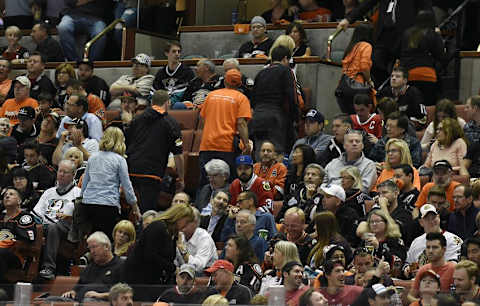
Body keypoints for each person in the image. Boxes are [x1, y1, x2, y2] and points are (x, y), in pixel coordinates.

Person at [337, 0, 433, 85]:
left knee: (402, 69)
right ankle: (380, 93)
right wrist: (348, 19)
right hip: (384, 34)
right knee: (376, 63)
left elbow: (426, 6)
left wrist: (433, 26)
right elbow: (367, 4)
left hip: (404, 35)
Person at [125, 90, 184, 212]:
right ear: (168, 102)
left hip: (130, 171)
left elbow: (125, 144)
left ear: (152, 102)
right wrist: (182, 178)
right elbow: (178, 154)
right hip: (152, 174)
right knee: (147, 212)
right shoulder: (172, 124)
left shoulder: (136, 120)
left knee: (130, 210)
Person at [123, 204, 195, 301]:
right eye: (186, 222)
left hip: (152, 280)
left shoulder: (172, 233)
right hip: (138, 280)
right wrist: (173, 268)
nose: (186, 226)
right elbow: (150, 255)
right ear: (179, 217)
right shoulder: (158, 227)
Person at [79, 127, 140, 239]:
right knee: (105, 239)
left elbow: (85, 183)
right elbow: (127, 187)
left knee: (91, 238)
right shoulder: (120, 160)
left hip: (88, 204)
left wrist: (81, 200)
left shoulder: (93, 157)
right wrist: (135, 207)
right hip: (107, 205)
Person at [198, 68, 252, 187]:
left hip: (207, 145)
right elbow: (241, 123)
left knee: (205, 183)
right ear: (239, 84)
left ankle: (201, 204)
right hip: (227, 147)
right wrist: (246, 144)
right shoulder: (241, 98)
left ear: (225, 81)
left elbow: (202, 119)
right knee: (227, 184)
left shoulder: (211, 95)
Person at [36, 159, 81, 280]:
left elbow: (80, 218)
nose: (61, 174)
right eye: (60, 171)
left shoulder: (78, 193)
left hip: (68, 227)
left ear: (73, 175)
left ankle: (48, 267)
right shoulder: (48, 192)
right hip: (46, 226)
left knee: (53, 227)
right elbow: (36, 214)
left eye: (65, 172)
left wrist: (68, 217)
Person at [251, 45, 299, 156]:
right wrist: (295, 118)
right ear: (285, 58)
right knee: (276, 154)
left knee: (261, 153)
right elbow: (292, 97)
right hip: (275, 117)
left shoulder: (261, 73)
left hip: (257, 118)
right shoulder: (286, 71)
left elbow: (252, 99)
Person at [400, 10, 454, 106]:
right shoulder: (432, 34)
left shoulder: (406, 33)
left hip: (408, 75)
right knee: (428, 108)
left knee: (412, 106)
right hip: (427, 75)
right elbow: (441, 56)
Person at [58, 232, 123, 303]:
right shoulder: (90, 266)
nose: (92, 251)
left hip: (100, 302)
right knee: (51, 299)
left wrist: (100, 295)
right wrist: (72, 292)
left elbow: (126, 293)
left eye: (94, 247)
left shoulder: (121, 266)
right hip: (77, 300)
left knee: (88, 302)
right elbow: (78, 287)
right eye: (90, 248)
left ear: (106, 247)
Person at [404, 204, 462, 279]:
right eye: (427, 219)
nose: (431, 221)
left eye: (434, 217)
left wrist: (425, 272)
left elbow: (454, 267)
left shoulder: (453, 240)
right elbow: (407, 263)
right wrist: (407, 269)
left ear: (439, 218)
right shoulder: (416, 242)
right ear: (421, 222)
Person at [0, 187, 37, 286]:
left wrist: (6, 243)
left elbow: (28, 239)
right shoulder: (1, 217)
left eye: (11, 194)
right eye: (5, 195)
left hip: (16, 255)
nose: (7, 196)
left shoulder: (25, 217)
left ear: (19, 200)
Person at [336, 23, 374, 114]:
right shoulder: (366, 46)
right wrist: (369, 80)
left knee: (349, 118)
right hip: (358, 88)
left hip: (342, 88)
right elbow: (364, 66)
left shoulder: (351, 47)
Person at [408, 232, 457, 301]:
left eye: (435, 247)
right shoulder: (423, 269)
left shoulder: (454, 269)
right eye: (428, 247)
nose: (430, 251)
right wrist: (424, 303)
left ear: (444, 249)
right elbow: (411, 296)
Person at [176, 207, 217, 273]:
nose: (182, 223)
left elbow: (198, 267)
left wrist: (182, 250)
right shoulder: (180, 234)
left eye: (187, 221)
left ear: (196, 223)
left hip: (203, 274)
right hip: (183, 272)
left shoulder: (204, 238)